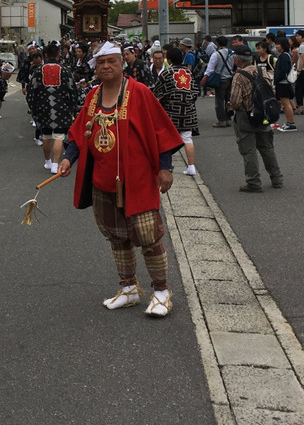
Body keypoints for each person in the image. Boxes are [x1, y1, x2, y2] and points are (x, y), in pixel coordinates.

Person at [57, 41, 183, 317]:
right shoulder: (92, 97)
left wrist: (165, 168)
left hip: (137, 179)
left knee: (148, 235)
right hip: (103, 179)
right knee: (116, 236)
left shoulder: (139, 93)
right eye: (101, 63)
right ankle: (128, 288)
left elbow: (161, 130)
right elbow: (81, 132)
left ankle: (161, 292)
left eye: (112, 61)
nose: (106, 67)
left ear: (121, 63)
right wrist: (68, 157)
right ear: (96, 67)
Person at [229, 46, 284, 192]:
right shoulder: (262, 71)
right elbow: (272, 91)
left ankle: (253, 182)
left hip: (246, 116)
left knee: (249, 150)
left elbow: (235, 101)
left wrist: (232, 106)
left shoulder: (239, 75)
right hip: (264, 114)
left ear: (237, 59)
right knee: (267, 148)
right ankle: (277, 178)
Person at [27, 41, 78, 173]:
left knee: (46, 135)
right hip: (61, 107)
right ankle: (56, 164)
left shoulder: (38, 71)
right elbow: (72, 90)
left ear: (45, 55)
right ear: (58, 55)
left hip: (43, 108)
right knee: (59, 136)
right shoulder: (65, 70)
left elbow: (31, 91)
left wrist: (33, 108)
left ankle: (47, 161)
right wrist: (72, 107)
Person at [153, 47, 199, 176]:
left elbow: (158, 93)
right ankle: (191, 166)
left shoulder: (167, 73)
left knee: (166, 139)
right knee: (187, 138)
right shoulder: (188, 73)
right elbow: (195, 92)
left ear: (169, 59)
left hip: (171, 112)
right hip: (188, 111)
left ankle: (167, 166)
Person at [201, 36, 234, 127]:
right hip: (230, 79)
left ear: (218, 44)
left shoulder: (216, 54)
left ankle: (221, 121)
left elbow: (210, 68)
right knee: (229, 100)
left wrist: (204, 78)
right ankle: (228, 119)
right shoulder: (232, 53)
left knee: (219, 101)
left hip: (220, 80)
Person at [272, 37, 297, 131]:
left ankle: (291, 123)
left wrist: (276, 81)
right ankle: (289, 122)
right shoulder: (285, 55)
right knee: (285, 103)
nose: (276, 46)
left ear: (283, 45)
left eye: (278, 44)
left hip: (283, 83)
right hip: (284, 82)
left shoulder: (284, 56)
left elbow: (283, 71)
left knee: (286, 104)